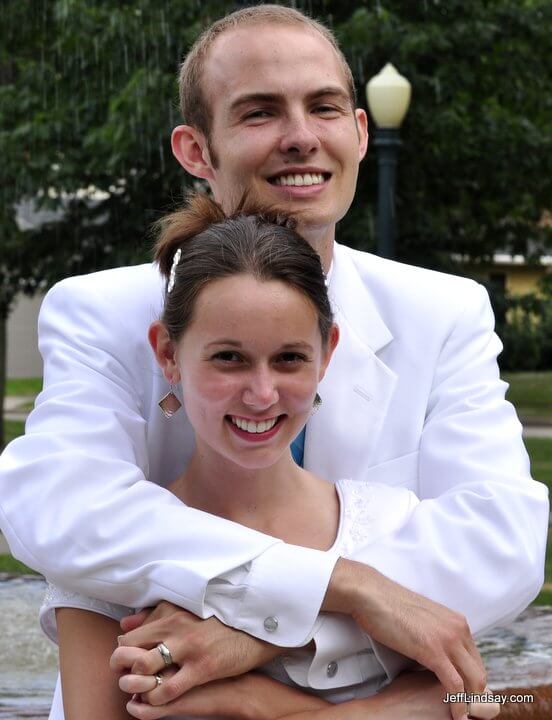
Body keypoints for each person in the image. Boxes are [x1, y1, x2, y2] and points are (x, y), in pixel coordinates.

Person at [0, 2, 547, 717]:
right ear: (196, 151)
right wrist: (345, 588)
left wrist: (256, 640)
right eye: (259, 112)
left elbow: (500, 542)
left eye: (323, 107)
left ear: (357, 132)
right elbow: (62, 508)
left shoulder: (445, 311)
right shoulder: (100, 311)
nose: (299, 138)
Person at [39, 193, 498, 720]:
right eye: (229, 358)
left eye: (289, 359)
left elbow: (475, 700)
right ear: (168, 354)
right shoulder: (104, 558)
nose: (261, 394)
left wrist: (250, 702)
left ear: (328, 354)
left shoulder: (394, 526)